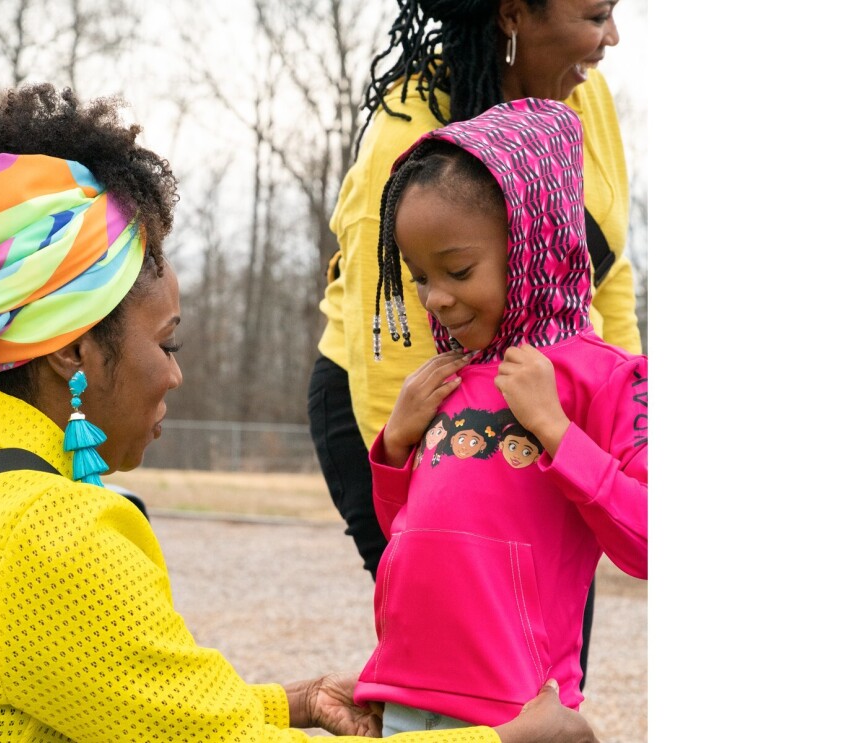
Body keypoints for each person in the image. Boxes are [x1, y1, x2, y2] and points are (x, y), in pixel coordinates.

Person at [0, 82, 600, 742]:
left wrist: (292, 701)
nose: (175, 373)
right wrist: (507, 740)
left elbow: (121, 698)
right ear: (73, 352)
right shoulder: (54, 538)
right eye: (166, 342)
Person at [306, 0, 640, 688]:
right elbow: (395, 329)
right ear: (513, 13)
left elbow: (604, 260)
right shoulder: (409, 131)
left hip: (542, 391)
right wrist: (400, 446)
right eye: (595, 13)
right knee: (448, 636)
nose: (612, 36)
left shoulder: (584, 90)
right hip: (396, 384)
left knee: (535, 653)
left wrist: (617, 410)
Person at [351, 97, 647, 736]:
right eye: (420, 275)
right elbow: (413, 540)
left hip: (518, 712)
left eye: (458, 270)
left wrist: (558, 434)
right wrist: (396, 447)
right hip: (403, 696)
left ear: (534, 242)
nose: (436, 298)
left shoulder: (605, 377)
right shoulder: (445, 373)